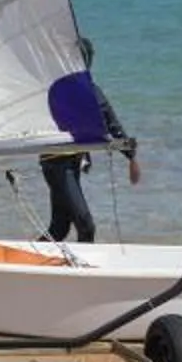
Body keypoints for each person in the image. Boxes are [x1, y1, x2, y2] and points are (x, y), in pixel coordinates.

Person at [37, 38, 141, 244]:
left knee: (59, 228)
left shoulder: (60, 89)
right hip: (58, 164)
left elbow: (110, 124)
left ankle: (30, 263)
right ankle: (80, 273)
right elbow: (112, 124)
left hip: (60, 161)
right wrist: (131, 156)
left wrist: (130, 156)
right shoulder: (83, 91)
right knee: (86, 226)